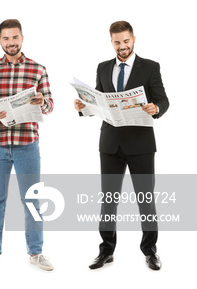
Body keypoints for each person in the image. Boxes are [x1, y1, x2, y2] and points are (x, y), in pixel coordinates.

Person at [75, 20, 169, 271]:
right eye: (117, 42)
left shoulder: (150, 67)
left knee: (146, 200)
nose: (122, 46)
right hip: (110, 144)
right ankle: (106, 251)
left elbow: (163, 99)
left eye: (126, 41)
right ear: (112, 42)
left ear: (133, 39)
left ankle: (150, 252)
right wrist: (85, 107)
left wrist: (156, 107)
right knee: (108, 200)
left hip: (141, 144)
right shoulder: (103, 68)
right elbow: (98, 99)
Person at [0, 19, 54, 271]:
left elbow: (50, 105)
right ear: (0, 41)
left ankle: (36, 252)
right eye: (6, 38)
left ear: (22, 38)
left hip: (27, 144)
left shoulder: (37, 69)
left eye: (15, 37)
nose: (11, 42)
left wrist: (41, 101)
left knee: (32, 200)